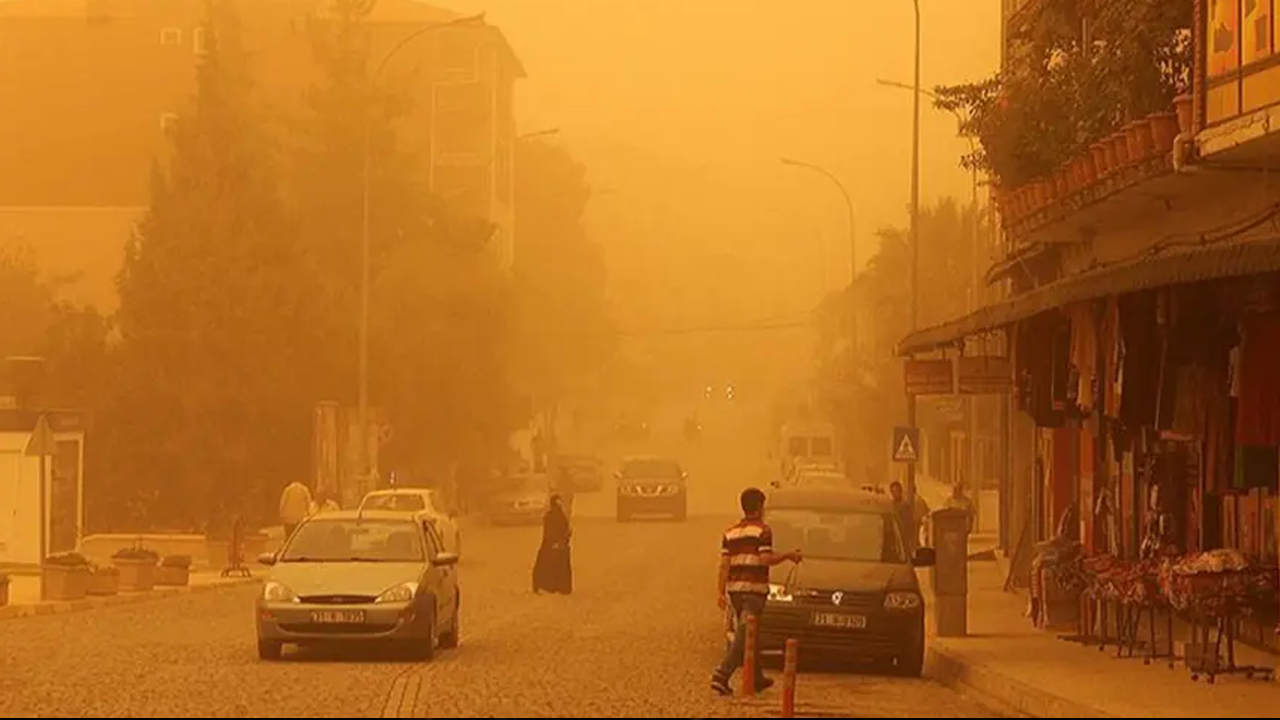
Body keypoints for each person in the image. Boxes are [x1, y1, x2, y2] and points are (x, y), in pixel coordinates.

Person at [711, 487, 802, 697]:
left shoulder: (730, 533)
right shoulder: (763, 531)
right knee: (745, 635)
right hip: (754, 591)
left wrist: (720, 592)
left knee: (751, 633)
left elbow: (724, 565)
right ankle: (722, 674)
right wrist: (789, 556)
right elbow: (765, 559)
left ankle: (757, 677)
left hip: (735, 591)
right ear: (760, 507)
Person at [531, 494, 573, 594]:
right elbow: (550, 531)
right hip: (554, 545)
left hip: (556, 545)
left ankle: (556, 586)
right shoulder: (552, 516)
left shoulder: (556, 516)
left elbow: (564, 529)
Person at [889, 480, 931, 550]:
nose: (894, 494)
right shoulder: (891, 505)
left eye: (896, 491)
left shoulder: (905, 506)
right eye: (892, 491)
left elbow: (909, 524)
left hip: (905, 536)